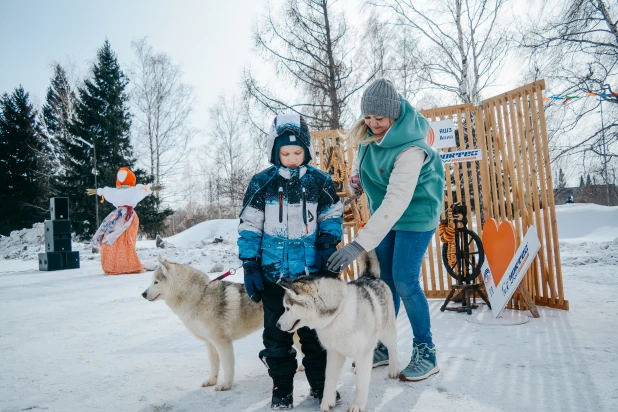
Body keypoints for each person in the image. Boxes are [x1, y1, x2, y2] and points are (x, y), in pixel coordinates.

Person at [327, 78, 445, 382]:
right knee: (386, 280)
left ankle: (426, 350)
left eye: (379, 118)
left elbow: (397, 200)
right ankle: (381, 344)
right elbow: (362, 159)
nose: (373, 123)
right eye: (368, 117)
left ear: (393, 114)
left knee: (405, 279)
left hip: (416, 213)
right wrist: (356, 179)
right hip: (387, 214)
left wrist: (357, 245)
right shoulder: (368, 133)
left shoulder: (412, 148)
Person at [237, 113, 343, 409]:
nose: (293, 158)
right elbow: (249, 225)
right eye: (285, 153)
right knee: (276, 336)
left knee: (314, 336)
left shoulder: (320, 181)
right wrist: (249, 263)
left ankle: (322, 386)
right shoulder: (262, 183)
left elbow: (332, 216)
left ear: (307, 151)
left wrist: (326, 243)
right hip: (274, 276)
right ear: (275, 151)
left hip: (311, 277)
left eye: (298, 152)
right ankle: (282, 389)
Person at [88, 167, 160, 275]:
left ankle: (116, 264)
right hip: (126, 216)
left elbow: (104, 191)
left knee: (115, 238)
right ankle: (123, 263)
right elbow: (144, 190)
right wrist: (150, 188)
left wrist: (98, 191)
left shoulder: (115, 192)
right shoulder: (133, 190)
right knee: (122, 239)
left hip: (119, 216)